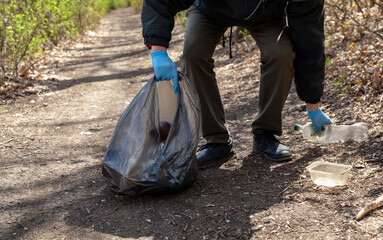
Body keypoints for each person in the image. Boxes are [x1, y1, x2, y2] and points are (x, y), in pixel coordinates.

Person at [142, 0, 332, 168]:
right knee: (193, 54)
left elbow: (309, 37)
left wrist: (312, 104)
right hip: (209, 9)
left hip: (266, 15)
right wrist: (158, 51)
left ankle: (265, 133)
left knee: (280, 54)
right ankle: (217, 140)